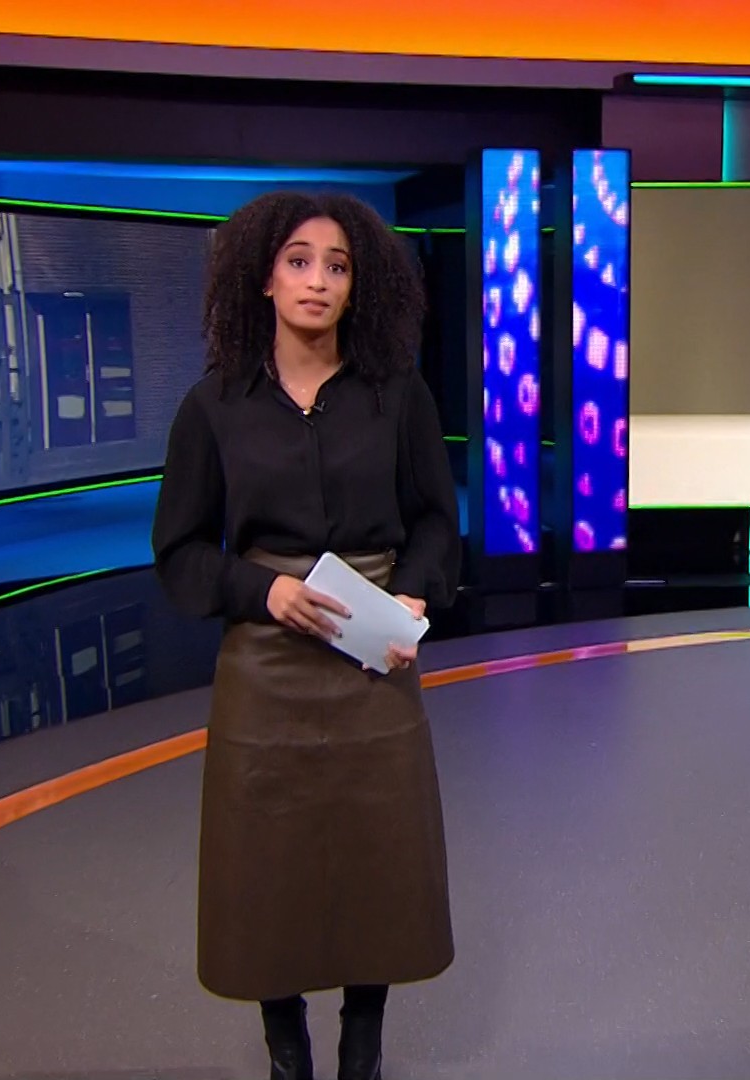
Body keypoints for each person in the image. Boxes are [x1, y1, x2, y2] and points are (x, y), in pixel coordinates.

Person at [151, 190, 461, 1080]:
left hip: (372, 656)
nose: (317, 280)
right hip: (267, 658)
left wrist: (412, 592)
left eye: (337, 265)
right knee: (267, 862)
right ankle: (285, 1047)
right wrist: (265, 590)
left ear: (359, 286)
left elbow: (436, 520)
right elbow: (180, 551)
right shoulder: (213, 406)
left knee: (377, 854)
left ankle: (363, 1044)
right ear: (263, 278)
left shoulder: (397, 397)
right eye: (298, 261)